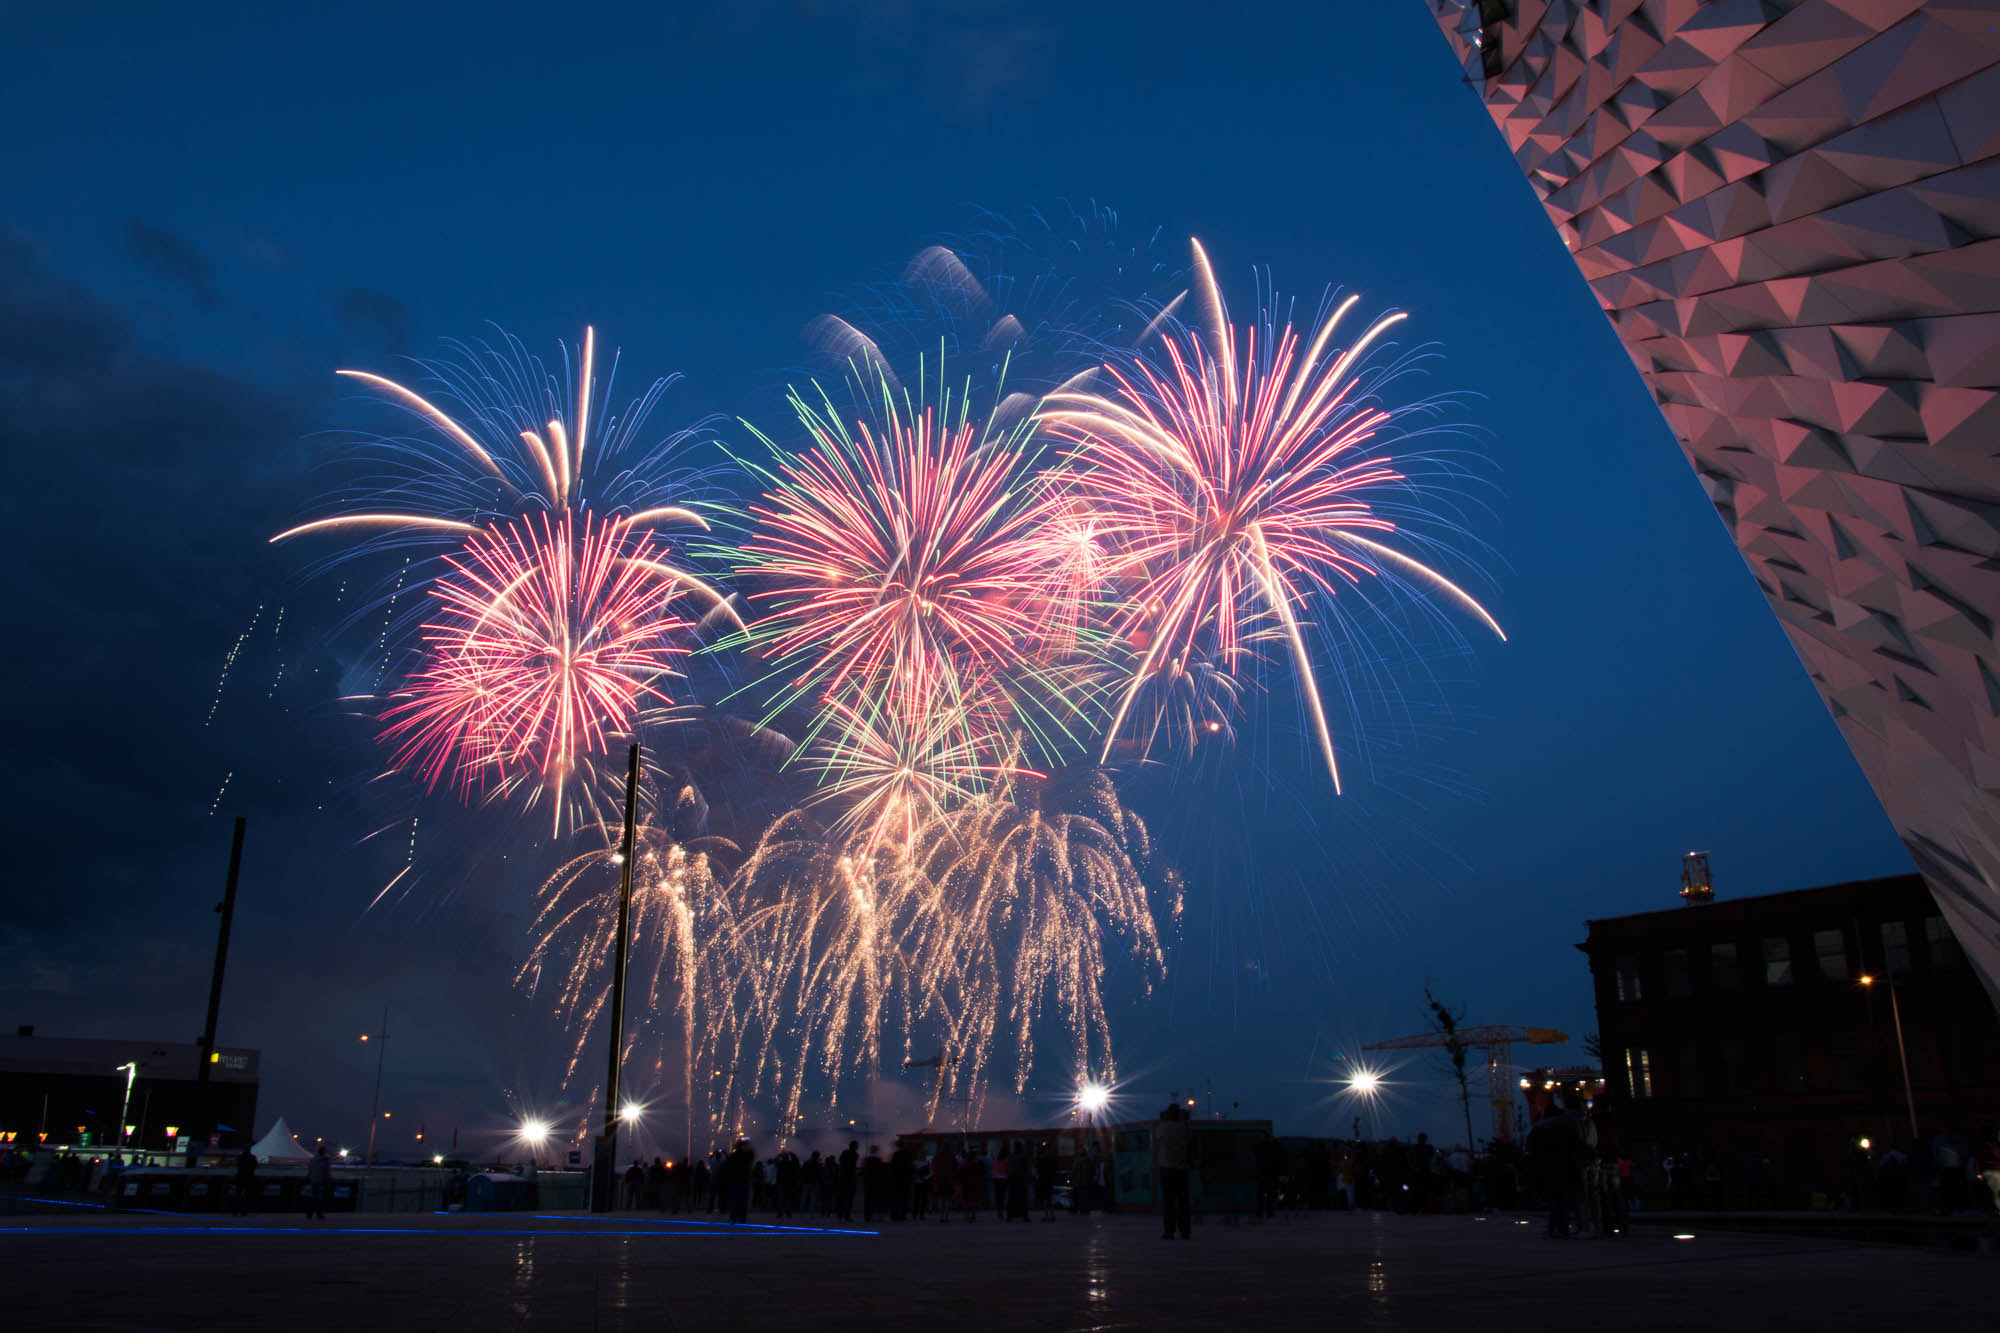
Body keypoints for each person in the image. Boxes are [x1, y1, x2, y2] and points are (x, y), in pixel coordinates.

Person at [1154, 1103, 1193, 1240]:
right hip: (1181, 1168)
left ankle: (1169, 1231)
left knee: (1168, 1201)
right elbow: (1190, 1140)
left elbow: (1157, 1137)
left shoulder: (1162, 1127)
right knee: (1183, 1201)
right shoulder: (1184, 1128)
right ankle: (1185, 1231)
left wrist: (1163, 1119)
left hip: (1166, 1168)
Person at [1254, 1132, 1281, 1220]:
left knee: (1261, 1195)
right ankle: (1269, 1213)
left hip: (1263, 1173)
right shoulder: (1271, 1147)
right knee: (1270, 1195)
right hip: (1270, 1174)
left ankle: (1260, 1213)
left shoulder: (1260, 1147)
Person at [931, 1142, 958, 1222]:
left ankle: (941, 1216)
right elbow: (955, 1169)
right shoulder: (952, 1157)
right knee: (947, 1199)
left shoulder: (937, 1157)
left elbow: (933, 1168)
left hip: (940, 1181)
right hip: (949, 1181)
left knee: (941, 1199)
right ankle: (946, 1216)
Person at [304, 1144, 332, 1220]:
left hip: (313, 1181)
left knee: (313, 1197)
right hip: (321, 1181)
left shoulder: (313, 1160)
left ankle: (309, 1213)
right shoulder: (325, 1160)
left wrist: (309, 1177)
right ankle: (319, 1214)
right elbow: (326, 1172)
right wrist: (328, 1179)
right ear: (324, 1152)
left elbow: (309, 1170)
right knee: (320, 1198)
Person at [835, 1140, 859, 1221]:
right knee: (849, 1198)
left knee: (842, 1197)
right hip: (850, 1179)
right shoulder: (855, 1155)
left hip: (843, 1178)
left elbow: (840, 1161)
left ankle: (840, 1214)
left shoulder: (845, 1153)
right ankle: (846, 1215)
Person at [1036, 1140, 1059, 1221]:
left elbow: (1038, 1170)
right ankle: (1052, 1215)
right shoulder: (1052, 1159)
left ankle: (1046, 1215)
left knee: (1045, 1199)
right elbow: (1056, 1168)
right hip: (1050, 1180)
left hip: (1043, 1180)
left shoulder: (1040, 1160)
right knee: (1049, 1198)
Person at [232, 1146, 257, 1217]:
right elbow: (255, 1166)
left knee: (237, 1194)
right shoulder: (252, 1157)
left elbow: (237, 1165)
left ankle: (235, 1211)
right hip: (249, 1177)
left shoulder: (240, 1157)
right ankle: (244, 1211)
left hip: (240, 1176)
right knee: (247, 1195)